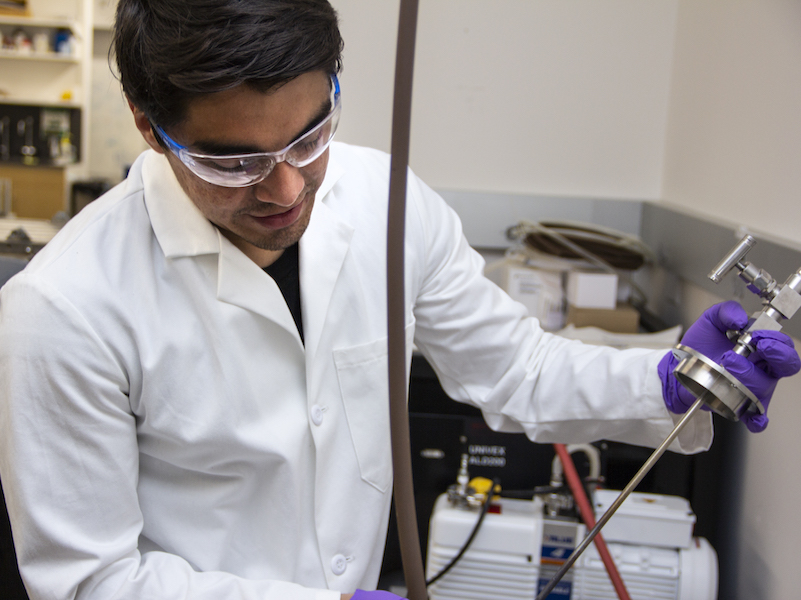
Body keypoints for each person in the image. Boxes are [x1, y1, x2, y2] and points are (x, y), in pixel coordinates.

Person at [0, 1, 797, 599]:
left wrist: (665, 379)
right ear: (149, 125)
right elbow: (91, 580)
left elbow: (515, 371)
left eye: (309, 137)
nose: (286, 189)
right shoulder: (65, 308)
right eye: (234, 162)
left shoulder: (382, 200)